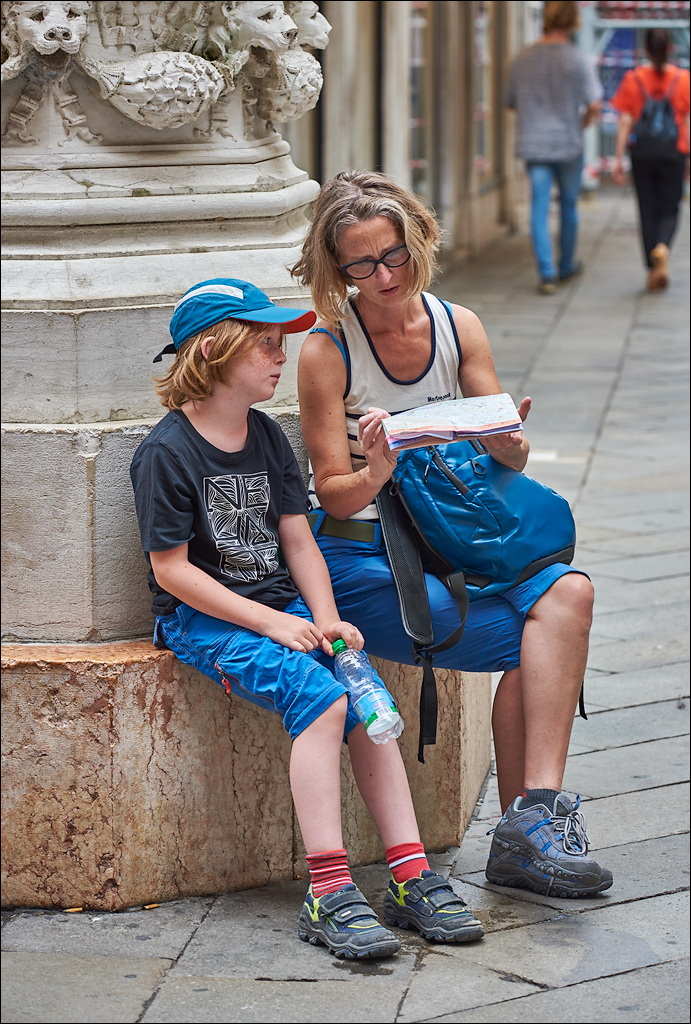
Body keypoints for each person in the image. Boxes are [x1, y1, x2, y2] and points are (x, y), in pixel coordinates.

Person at [130, 277, 485, 960]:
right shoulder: (165, 453)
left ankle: (409, 875)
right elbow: (172, 571)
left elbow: (298, 538)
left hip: (282, 608)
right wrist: (274, 627)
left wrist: (325, 617)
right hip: (208, 621)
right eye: (264, 344)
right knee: (320, 700)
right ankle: (328, 890)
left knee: (362, 698)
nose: (278, 356)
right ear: (212, 350)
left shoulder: (263, 435)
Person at [292, 170, 613, 899]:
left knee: (568, 598)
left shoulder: (456, 324)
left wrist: (509, 444)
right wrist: (375, 469)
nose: (383, 277)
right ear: (335, 269)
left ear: (417, 242)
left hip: (461, 539)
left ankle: (530, 822)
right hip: (366, 556)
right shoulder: (326, 351)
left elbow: (507, 448)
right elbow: (332, 489)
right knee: (540, 645)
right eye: (361, 264)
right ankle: (526, 838)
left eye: (393, 255)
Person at [505, 0, 602, 293]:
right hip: (569, 143)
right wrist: (581, 122)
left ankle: (546, 273)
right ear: (573, 21)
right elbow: (595, 102)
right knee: (569, 205)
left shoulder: (522, 58)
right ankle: (566, 266)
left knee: (539, 206)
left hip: (534, 144)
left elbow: (510, 101)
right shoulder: (577, 58)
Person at [611, 28, 690, 292]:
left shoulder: (633, 79)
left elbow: (624, 121)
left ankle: (651, 267)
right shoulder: (683, 79)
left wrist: (619, 159)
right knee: (670, 207)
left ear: (645, 49)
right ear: (670, 49)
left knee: (647, 208)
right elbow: (688, 123)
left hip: (643, 152)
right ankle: (662, 247)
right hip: (673, 152)